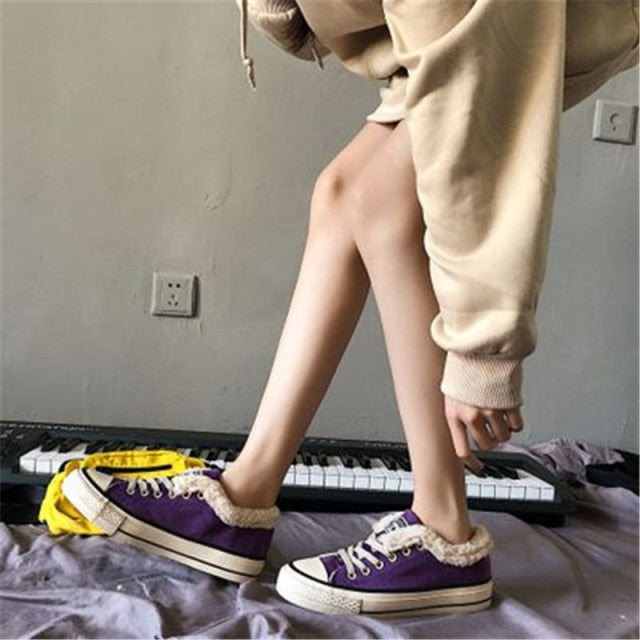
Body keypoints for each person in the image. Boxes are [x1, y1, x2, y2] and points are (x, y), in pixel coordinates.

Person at [61, 0, 639, 617]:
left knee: (380, 204)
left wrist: (482, 352)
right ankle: (243, 497)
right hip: (462, 30)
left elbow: (481, 154)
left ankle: (444, 530)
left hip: (511, 21)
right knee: (342, 193)